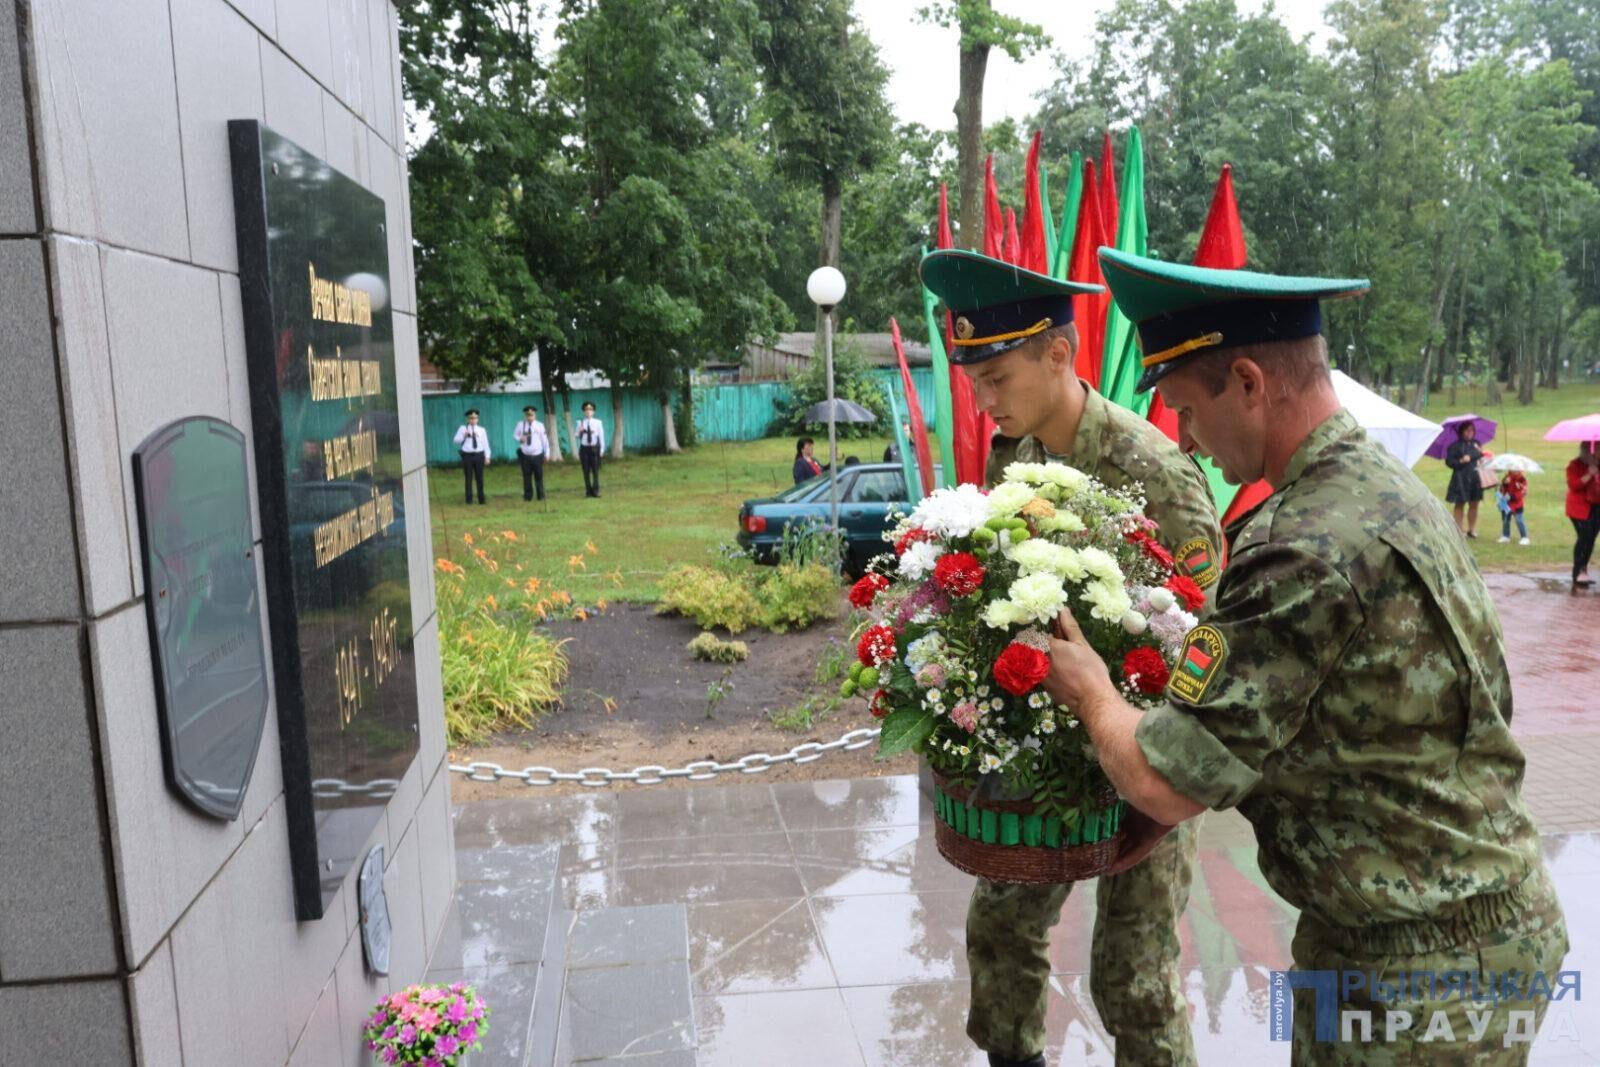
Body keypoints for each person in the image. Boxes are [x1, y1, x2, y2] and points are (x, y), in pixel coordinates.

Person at [1041, 247, 1567, 1064]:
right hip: (1458, 926)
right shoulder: (1386, 488)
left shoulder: (1301, 547)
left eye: (1186, 405)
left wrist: (1091, 690)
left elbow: (1164, 780)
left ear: (1249, 383)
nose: (1186, 437)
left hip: (1414, 969)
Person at [921, 247, 1224, 1067]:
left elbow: (1211, 628)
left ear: (1059, 354)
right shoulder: (1012, 457)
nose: (984, 403)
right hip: (1049, 756)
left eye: (998, 379)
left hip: (1149, 751)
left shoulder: (1151, 468)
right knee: (1000, 932)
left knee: (1134, 978)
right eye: (975, 382)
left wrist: (1162, 749)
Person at [1565, 441, 1600, 587]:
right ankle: (1578, 571)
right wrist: (1589, 474)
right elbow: (1574, 485)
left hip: (1596, 506)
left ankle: (1583, 570)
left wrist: (1597, 474)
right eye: (1597, 450)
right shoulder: (1574, 465)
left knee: (1591, 538)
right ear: (1588, 451)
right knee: (1584, 537)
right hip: (1579, 508)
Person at [1444, 421, 1485, 536]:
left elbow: (1479, 454)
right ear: (1462, 431)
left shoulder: (1476, 444)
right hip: (1460, 478)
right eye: (1467, 430)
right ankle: (1459, 530)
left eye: (1472, 430)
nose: (1470, 432)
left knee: (1474, 503)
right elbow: (1449, 462)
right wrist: (1461, 461)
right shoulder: (1454, 446)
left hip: (1475, 477)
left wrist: (1470, 456)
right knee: (1460, 504)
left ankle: (1472, 530)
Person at [452, 408, 490, 504]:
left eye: (475, 418)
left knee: (479, 477)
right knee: (468, 477)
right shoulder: (463, 428)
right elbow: (455, 440)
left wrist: (487, 456)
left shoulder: (481, 430)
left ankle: (481, 499)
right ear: (468, 419)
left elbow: (485, 444)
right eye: (471, 418)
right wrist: (464, 435)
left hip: (479, 454)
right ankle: (469, 500)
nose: (473, 420)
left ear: (478, 419)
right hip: (467, 455)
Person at [515, 405, 549, 502]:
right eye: (528, 415)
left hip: (537, 454)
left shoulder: (539, 425)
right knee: (526, 476)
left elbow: (544, 440)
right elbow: (515, 435)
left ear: (535, 415)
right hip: (525, 454)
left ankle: (540, 495)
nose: (530, 417)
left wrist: (547, 453)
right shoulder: (520, 425)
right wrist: (520, 438)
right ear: (525, 415)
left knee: (539, 475)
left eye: (532, 415)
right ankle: (528, 496)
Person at [575, 401, 605, 498]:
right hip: (584, 449)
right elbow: (576, 435)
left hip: (594, 448)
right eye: (586, 409)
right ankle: (588, 491)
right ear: (584, 411)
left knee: (595, 471)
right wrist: (580, 431)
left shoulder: (598, 422)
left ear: (594, 411)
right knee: (586, 471)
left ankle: (596, 490)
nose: (588, 411)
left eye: (590, 409)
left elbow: (601, 436)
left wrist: (602, 450)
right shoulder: (580, 422)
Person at [1497, 468, 1528, 545]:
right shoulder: (1507, 477)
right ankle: (1505, 535)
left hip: (1517, 504)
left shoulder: (1522, 480)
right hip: (1506, 504)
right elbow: (1502, 489)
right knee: (1505, 520)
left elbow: (1522, 492)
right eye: (1513, 469)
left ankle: (1524, 537)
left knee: (1519, 520)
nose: (1514, 470)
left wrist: (1512, 496)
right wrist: (1504, 483)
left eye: (1516, 469)